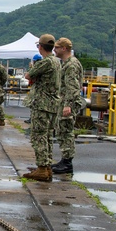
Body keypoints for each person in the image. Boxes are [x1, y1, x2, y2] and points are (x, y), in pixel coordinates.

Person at [23, 34, 62, 182]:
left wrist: (32, 69)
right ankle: (47, 167)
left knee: (38, 136)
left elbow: (28, 75)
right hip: (52, 104)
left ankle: (41, 167)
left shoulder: (45, 62)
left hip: (42, 104)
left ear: (40, 47)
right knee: (47, 137)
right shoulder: (56, 62)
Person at [52, 37, 85, 174]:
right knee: (62, 131)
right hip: (64, 101)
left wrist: (68, 105)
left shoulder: (71, 65)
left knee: (66, 132)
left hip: (68, 102)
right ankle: (65, 159)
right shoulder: (67, 63)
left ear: (64, 48)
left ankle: (67, 162)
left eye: (57, 48)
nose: (55, 50)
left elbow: (72, 87)